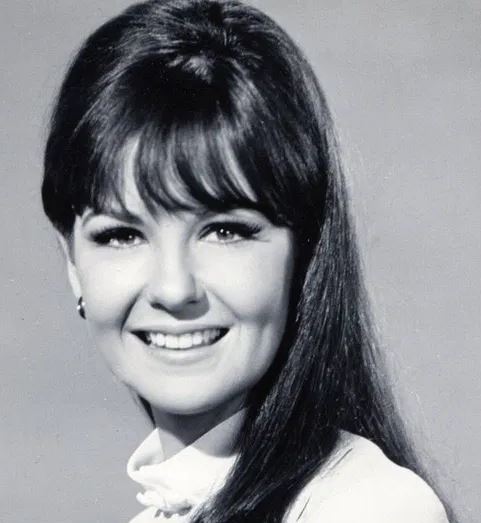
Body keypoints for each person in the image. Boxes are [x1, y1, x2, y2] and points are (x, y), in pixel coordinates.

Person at [41, 0, 453, 521]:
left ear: (304, 251)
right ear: (73, 265)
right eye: (122, 235)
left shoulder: (368, 507)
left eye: (225, 231)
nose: (173, 288)